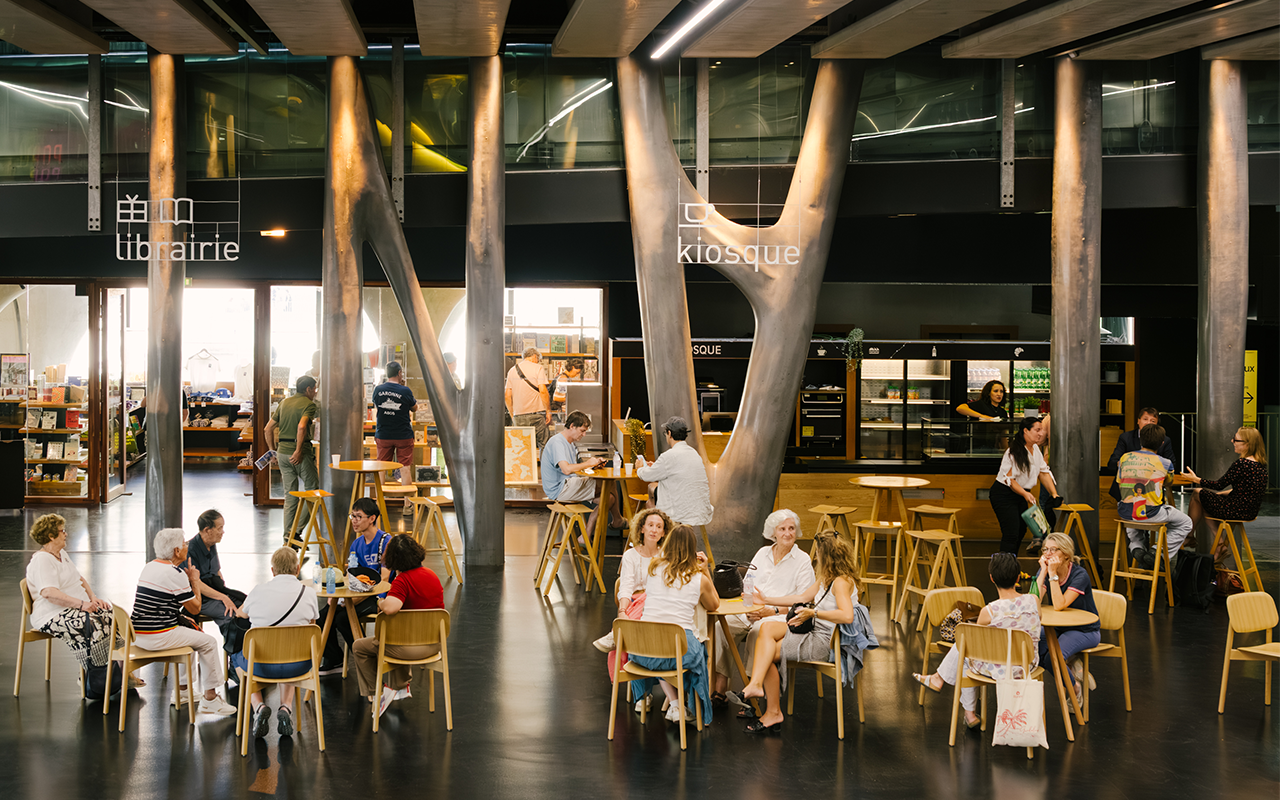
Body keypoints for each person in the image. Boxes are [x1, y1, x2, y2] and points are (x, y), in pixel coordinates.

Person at [741, 531, 862, 733]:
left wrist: (813, 613)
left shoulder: (841, 582)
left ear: (827, 556)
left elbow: (847, 616)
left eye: (819, 555)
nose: (816, 558)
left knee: (768, 655)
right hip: (815, 631)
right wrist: (767, 600)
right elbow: (803, 596)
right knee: (767, 627)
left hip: (827, 641)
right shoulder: (826, 578)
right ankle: (755, 684)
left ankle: (772, 711)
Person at [912, 552, 1041, 729]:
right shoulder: (1033, 601)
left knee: (966, 647)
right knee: (966, 644)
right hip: (1027, 665)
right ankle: (938, 679)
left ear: (991, 578)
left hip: (1000, 669)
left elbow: (976, 642)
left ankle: (969, 713)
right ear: (1018, 577)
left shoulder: (990, 611)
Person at [711, 509, 816, 707]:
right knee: (720, 628)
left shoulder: (802, 560)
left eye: (791, 528)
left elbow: (804, 604)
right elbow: (747, 586)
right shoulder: (762, 553)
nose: (787, 533)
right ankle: (720, 686)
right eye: (782, 529)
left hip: (778, 617)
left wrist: (772, 610)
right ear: (773, 532)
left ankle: (752, 693)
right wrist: (749, 607)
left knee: (758, 633)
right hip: (751, 612)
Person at [131, 528, 237, 715]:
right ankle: (211, 699)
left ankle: (184, 691)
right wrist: (194, 580)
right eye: (184, 544)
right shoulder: (175, 574)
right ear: (176, 551)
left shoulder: (149, 566)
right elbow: (195, 608)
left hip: (138, 634)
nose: (187, 545)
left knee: (191, 632)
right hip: (157, 635)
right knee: (209, 642)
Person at [629, 525, 719, 726]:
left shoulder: (653, 568)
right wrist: (706, 572)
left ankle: (676, 704)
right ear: (692, 549)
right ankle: (691, 707)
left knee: (660, 648)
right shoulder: (697, 578)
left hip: (641, 649)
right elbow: (714, 604)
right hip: (678, 649)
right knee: (694, 653)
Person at [351, 535, 444, 717]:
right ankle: (400, 686)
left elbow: (391, 608)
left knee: (361, 647)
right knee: (397, 632)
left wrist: (380, 602)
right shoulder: (432, 575)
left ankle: (377, 692)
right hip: (434, 646)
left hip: (409, 648)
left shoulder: (403, 581)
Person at [24, 514, 125, 681]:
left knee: (111, 617)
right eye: (62, 531)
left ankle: (120, 674)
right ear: (51, 536)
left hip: (74, 606)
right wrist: (81, 605)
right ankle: (94, 678)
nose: (66, 534)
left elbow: (79, 578)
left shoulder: (61, 553)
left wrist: (92, 598)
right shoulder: (42, 560)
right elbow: (49, 592)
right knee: (93, 624)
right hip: (51, 614)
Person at [232, 547, 316, 738]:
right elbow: (312, 627)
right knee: (291, 650)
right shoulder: (308, 593)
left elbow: (240, 615)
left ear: (272, 570)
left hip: (261, 667)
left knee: (237, 656)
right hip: (299, 666)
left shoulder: (258, 591)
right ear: (297, 569)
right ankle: (285, 708)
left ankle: (259, 706)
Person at [317, 497, 394, 674]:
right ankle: (334, 659)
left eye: (359, 516)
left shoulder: (386, 542)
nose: (354, 521)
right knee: (322, 618)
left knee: (343, 619)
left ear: (372, 518)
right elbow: (349, 575)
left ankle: (366, 662)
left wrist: (358, 598)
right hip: (357, 593)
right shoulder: (357, 543)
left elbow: (384, 578)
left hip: (377, 595)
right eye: (352, 516)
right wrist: (336, 595)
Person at [593, 508, 674, 655]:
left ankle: (617, 635)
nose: (654, 530)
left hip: (660, 602)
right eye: (650, 525)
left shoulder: (667, 555)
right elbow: (626, 586)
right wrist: (622, 611)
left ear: (664, 533)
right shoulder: (630, 555)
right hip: (635, 601)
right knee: (642, 605)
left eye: (659, 527)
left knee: (652, 599)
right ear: (642, 528)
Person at [1034, 532, 1101, 702]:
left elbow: (1059, 604)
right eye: (1045, 549)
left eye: (1053, 549)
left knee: (1053, 657)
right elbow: (1033, 602)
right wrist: (1043, 572)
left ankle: (1074, 690)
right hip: (1058, 628)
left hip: (1085, 630)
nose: (1047, 553)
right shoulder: (1047, 570)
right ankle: (1072, 669)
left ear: (1065, 554)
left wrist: (1052, 574)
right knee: (1033, 649)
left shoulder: (1080, 575)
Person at [1117, 424, 1192, 568]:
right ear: (1162, 443)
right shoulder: (1165, 463)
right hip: (1151, 514)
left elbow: (1120, 480)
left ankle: (1136, 547)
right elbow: (1168, 482)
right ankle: (1158, 552)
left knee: (1132, 513)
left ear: (1141, 440)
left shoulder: (1124, 458)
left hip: (1125, 513)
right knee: (1185, 522)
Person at [540, 410, 624, 537]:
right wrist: (589, 463)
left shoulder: (570, 444)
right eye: (582, 431)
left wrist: (593, 465)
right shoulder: (558, 442)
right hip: (560, 489)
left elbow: (573, 470)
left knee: (610, 498)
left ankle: (585, 535)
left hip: (568, 485)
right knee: (609, 482)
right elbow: (566, 469)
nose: (584, 435)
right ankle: (617, 520)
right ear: (572, 426)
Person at [989, 416, 1060, 555]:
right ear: (1025, 431)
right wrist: (1025, 494)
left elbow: (1044, 473)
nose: (1041, 433)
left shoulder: (1035, 449)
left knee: (1021, 529)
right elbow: (1010, 480)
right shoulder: (1013, 451)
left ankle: (1011, 564)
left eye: (1042, 430)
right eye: (1037, 430)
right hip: (1003, 494)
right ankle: (1002, 570)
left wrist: (1054, 494)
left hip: (1021, 493)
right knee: (1011, 532)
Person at [265, 375, 319, 542]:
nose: (315, 392)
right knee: (313, 491)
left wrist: (272, 451)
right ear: (309, 389)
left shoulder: (285, 403)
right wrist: (298, 450)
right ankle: (296, 532)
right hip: (300, 454)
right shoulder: (309, 405)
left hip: (282, 453)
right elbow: (302, 426)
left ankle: (287, 535)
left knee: (290, 495)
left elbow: (268, 429)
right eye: (314, 389)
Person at [635, 416, 714, 529]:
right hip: (699, 509)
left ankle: (657, 533)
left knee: (652, 489)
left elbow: (646, 475)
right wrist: (656, 466)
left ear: (669, 433)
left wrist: (639, 468)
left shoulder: (669, 456)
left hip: (679, 513)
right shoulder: (694, 453)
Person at [1184, 427, 1269, 527]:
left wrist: (1196, 479)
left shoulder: (1241, 464)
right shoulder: (1261, 466)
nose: (1232, 441)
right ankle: (1219, 542)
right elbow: (1246, 490)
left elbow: (1219, 485)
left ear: (1247, 444)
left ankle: (1189, 536)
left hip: (1234, 510)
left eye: (1236, 440)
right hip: (1250, 512)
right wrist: (1220, 494)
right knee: (1205, 503)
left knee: (1197, 493)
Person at [183, 509, 246, 641]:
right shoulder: (191, 550)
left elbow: (217, 571)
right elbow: (197, 584)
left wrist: (227, 595)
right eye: (220, 528)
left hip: (214, 591)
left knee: (246, 606)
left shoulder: (211, 544)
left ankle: (245, 652)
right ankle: (234, 654)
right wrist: (223, 598)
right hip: (200, 598)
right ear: (207, 530)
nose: (223, 532)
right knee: (230, 613)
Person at [1107, 407, 1176, 502]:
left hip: (1152, 487)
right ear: (1138, 421)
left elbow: (1171, 464)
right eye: (1145, 419)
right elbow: (1111, 463)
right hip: (1125, 490)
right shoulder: (1126, 438)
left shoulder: (1164, 440)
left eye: (1152, 421)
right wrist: (1126, 464)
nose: (1148, 423)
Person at [373, 361, 420, 500]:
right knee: (405, 467)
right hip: (403, 434)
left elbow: (377, 405)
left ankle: (379, 503)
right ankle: (407, 504)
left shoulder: (378, 389)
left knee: (381, 468)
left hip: (383, 434)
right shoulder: (405, 390)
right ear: (400, 373)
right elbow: (414, 408)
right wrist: (403, 389)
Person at [505, 347, 550, 450]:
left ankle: (526, 466)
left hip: (519, 415)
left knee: (521, 448)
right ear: (535, 356)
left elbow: (507, 396)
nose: (538, 361)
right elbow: (543, 391)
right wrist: (548, 411)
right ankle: (544, 466)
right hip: (537, 414)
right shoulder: (538, 368)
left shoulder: (512, 371)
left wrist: (513, 414)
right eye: (538, 359)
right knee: (543, 445)